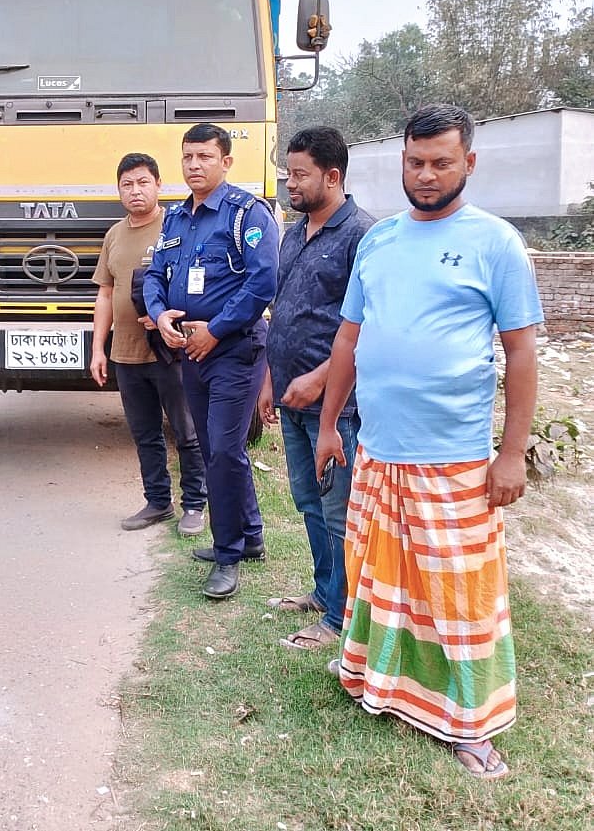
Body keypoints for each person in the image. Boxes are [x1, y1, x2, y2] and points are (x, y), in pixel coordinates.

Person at [315, 104, 542, 781]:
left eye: (441, 161)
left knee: (458, 590)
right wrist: (328, 425)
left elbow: (521, 351)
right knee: (380, 577)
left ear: (467, 162)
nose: (425, 173)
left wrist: (509, 452)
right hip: (378, 451)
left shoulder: (494, 242)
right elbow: (348, 339)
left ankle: (470, 722)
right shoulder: (378, 240)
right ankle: (373, 678)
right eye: (415, 161)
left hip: (455, 459)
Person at [144, 123, 278, 599]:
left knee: (222, 449)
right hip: (187, 351)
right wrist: (160, 317)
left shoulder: (247, 213)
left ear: (226, 162)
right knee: (215, 446)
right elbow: (154, 276)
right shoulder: (177, 219)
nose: (194, 165)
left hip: (234, 351)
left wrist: (214, 331)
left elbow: (262, 283)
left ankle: (228, 555)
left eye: (204, 156)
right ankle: (252, 535)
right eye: (187, 157)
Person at [258, 127, 374, 650]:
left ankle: (341, 616)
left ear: (333, 175)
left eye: (300, 174)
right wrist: (269, 379)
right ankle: (324, 592)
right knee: (308, 500)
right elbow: (280, 311)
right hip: (290, 397)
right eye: (288, 173)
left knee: (338, 510)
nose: (290, 183)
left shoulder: (363, 236)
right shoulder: (294, 230)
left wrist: (320, 378)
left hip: (338, 407)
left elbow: (368, 326)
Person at [90, 152, 207, 535]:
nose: (135, 190)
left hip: (169, 350)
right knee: (144, 434)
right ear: (119, 190)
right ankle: (158, 501)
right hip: (125, 353)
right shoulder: (114, 235)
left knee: (186, 430)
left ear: (159, 185)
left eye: (143, 182)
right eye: (127, 184)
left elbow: (193, 281)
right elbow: (105, 295)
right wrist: (98, 349)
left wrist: (163, 314)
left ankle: (195, 504)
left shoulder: (174, 227)